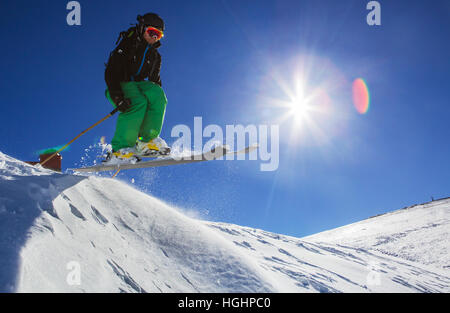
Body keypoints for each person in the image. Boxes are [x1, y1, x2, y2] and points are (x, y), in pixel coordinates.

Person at [104, 13, 170, 163]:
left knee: (158, 94)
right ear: (142, 28)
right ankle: (120, 149)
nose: (154, 37)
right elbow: (111, 70)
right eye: (152, 32)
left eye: (158, 35)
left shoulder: (155, 56)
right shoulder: (129, 43)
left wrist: (156, 99)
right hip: (118, 85)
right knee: (138, 101)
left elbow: (155, 82)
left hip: (137, 85)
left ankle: (146, 140)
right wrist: (117, 96)